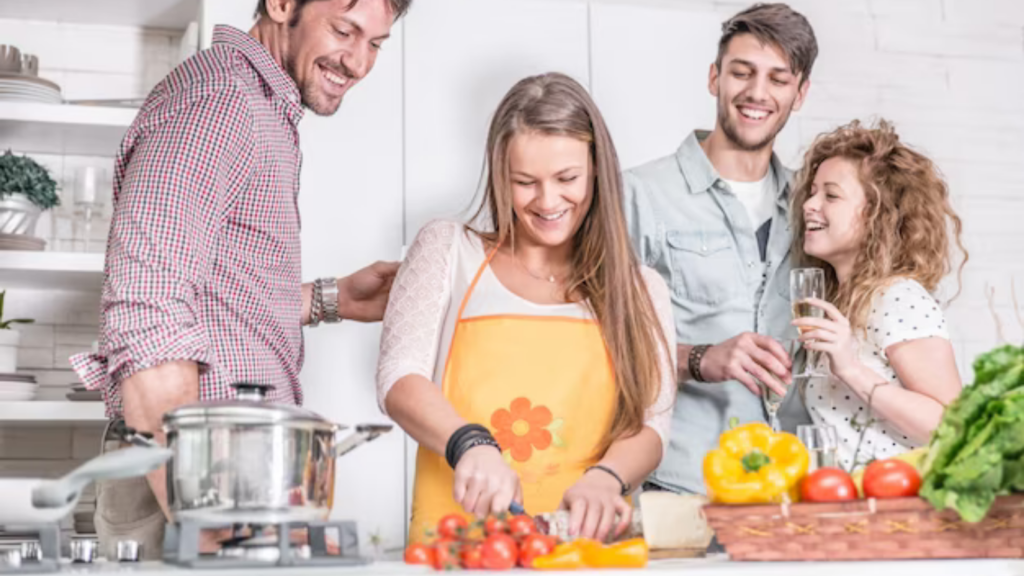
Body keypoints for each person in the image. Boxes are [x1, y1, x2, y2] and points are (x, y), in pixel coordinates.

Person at [70, 0, 412, 559]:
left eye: (375, 43)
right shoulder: (221, 103)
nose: (358, 62)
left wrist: (334, 299)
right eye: (345, 30)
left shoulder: (259, 105)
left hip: (233, 478)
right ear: (280, 5)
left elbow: (220, 295)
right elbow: (146, 307)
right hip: (199, 484)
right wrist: (203, 513)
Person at [376, 72, 676, 543]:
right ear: (500, 176)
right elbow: (399, 377)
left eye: (567, 178)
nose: (548, 200)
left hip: (585, 548)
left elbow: (651, 424)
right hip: (461, 548)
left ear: (596, 168)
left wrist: (607, 478)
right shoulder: (450, 250)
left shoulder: (640, 288)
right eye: (525, 182)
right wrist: (469, 445)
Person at [623, 3, 818, 497]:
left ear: (800, 93)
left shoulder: (815, 205)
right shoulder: (638, 195)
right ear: (715, 78)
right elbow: (594, 341)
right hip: (680, 488)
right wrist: (697, 358)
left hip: (794, 491)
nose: (757, 93)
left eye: (778, 79)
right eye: (742, 72)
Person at [790, 119, 965, 469]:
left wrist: (851, 369)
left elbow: (954, 429)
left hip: (896, 510)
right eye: (812, 191)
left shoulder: (898, 298)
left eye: (831, 194)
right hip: (850, 505)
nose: (809, 204)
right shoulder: (844, 299)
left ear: (876, 214)